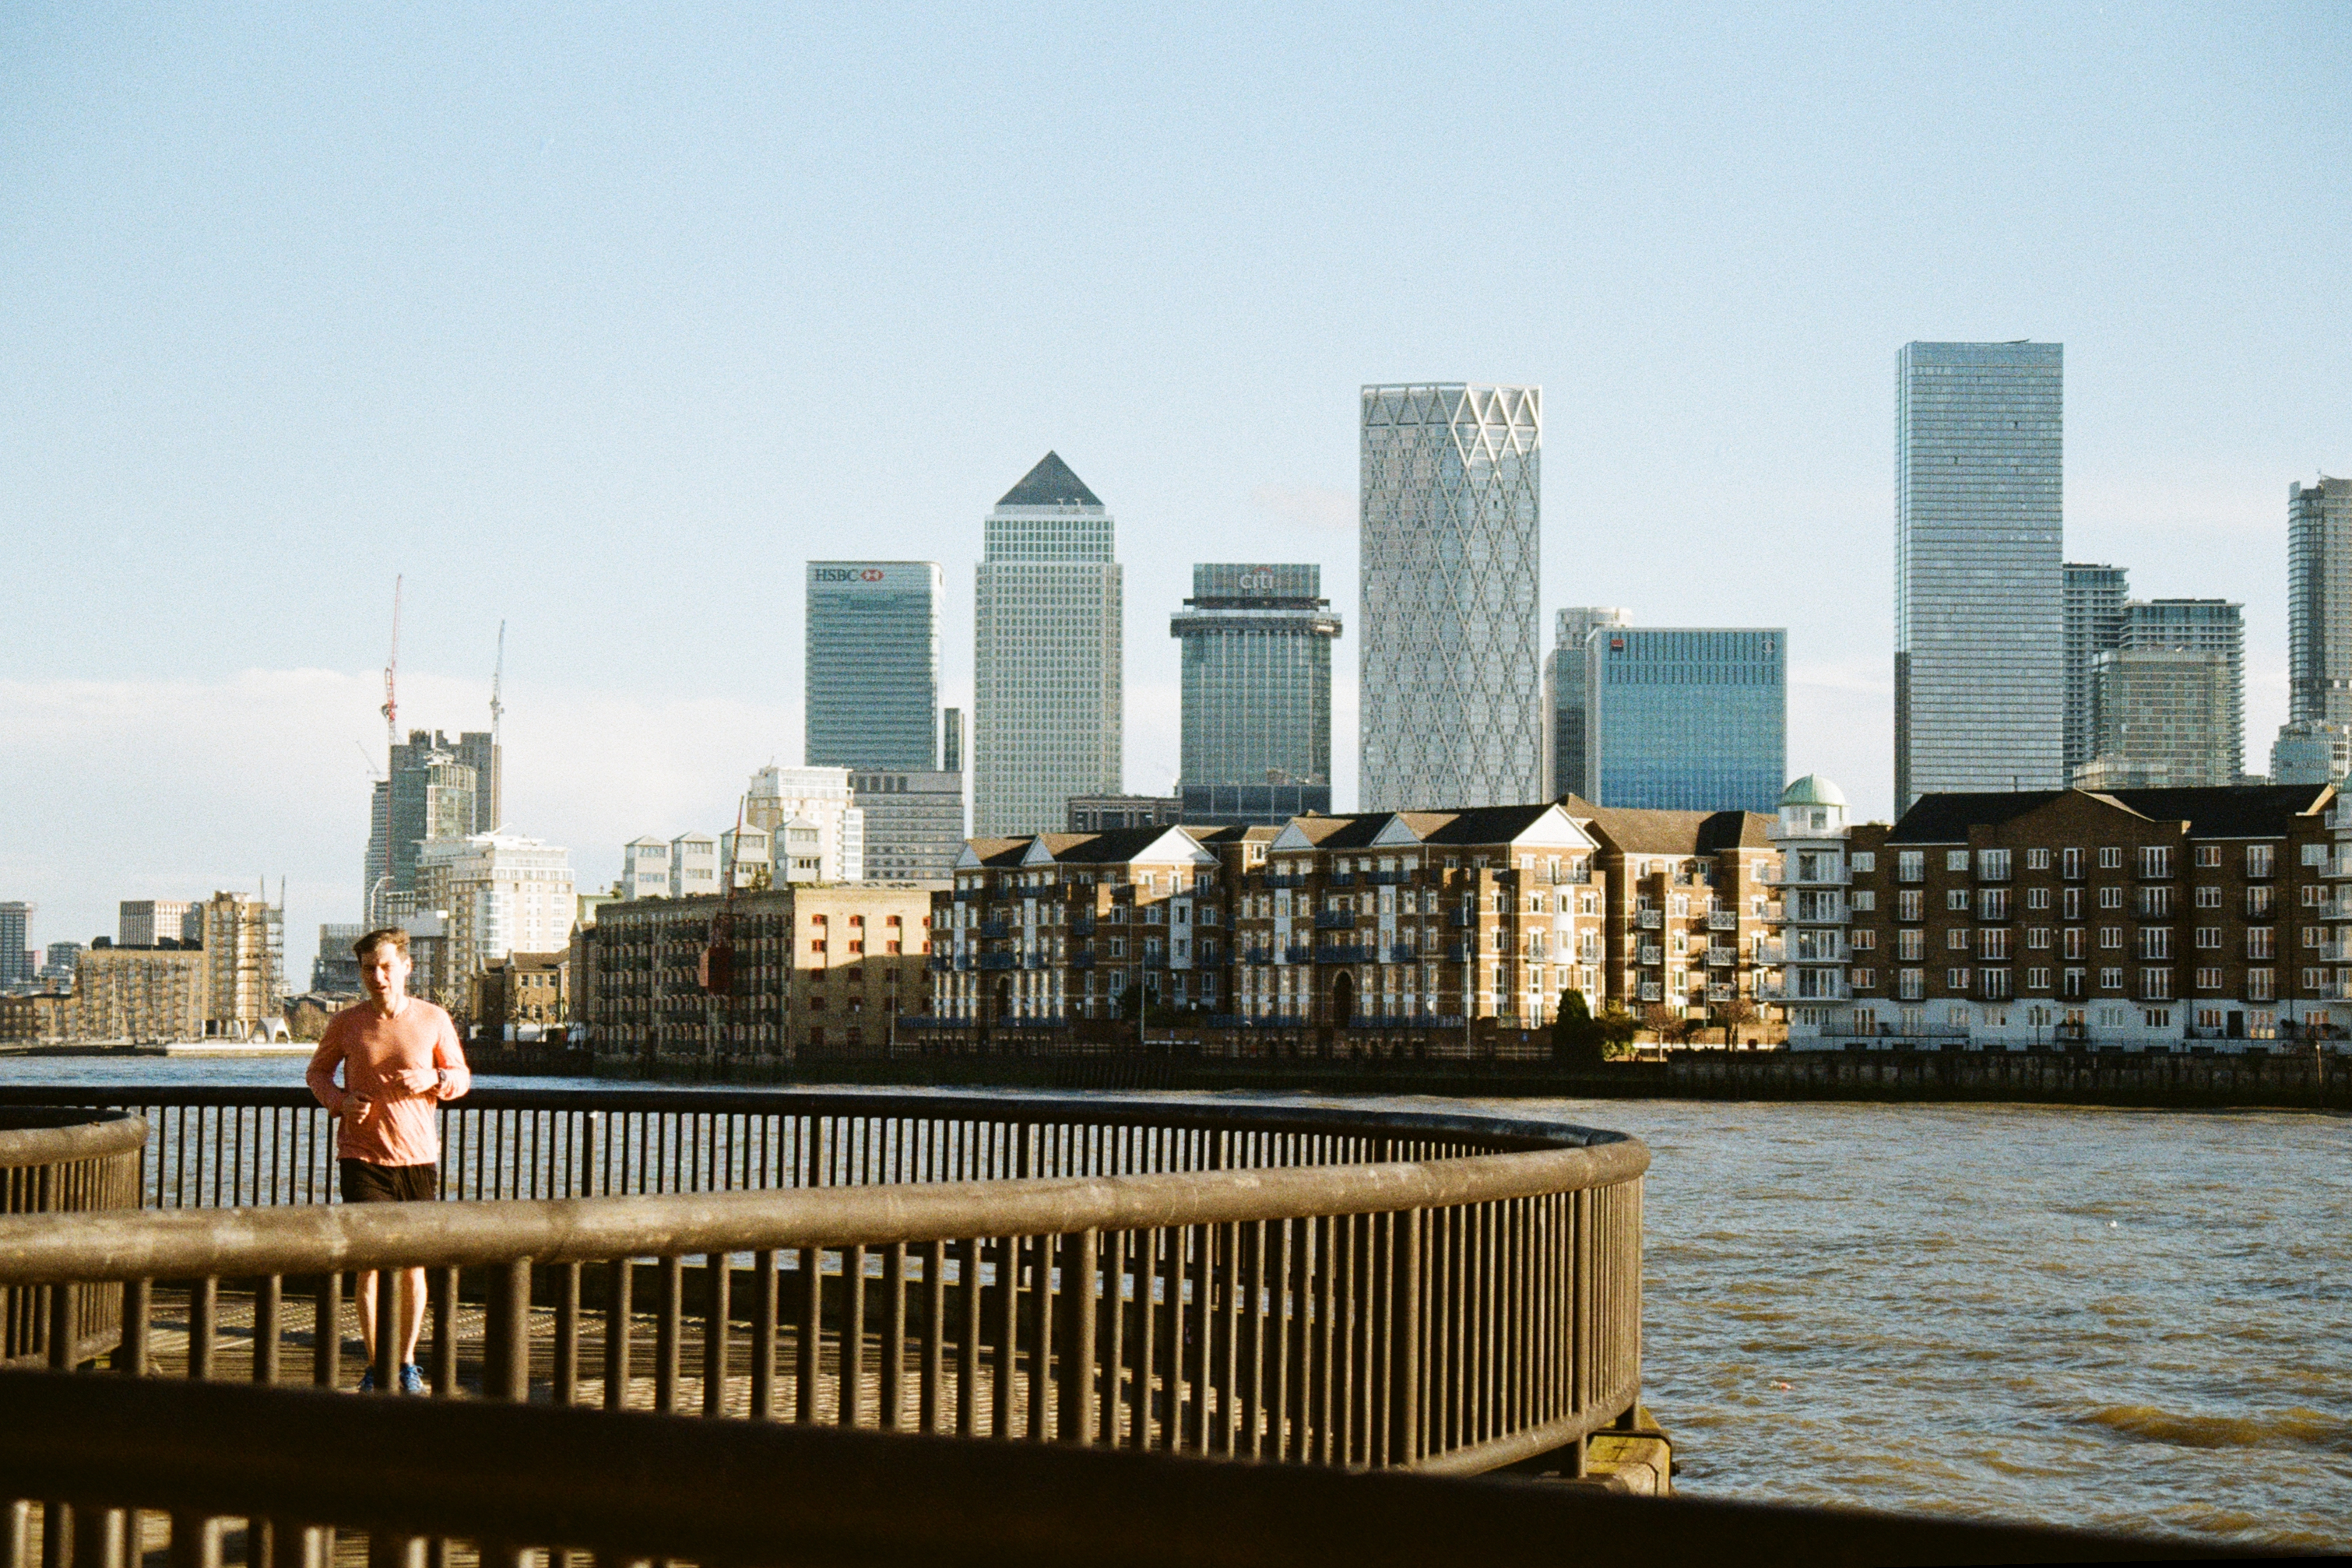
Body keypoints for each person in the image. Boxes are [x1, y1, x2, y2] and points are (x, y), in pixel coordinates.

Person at [305, 926, 470, 1393]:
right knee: (371, 1264)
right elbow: (317, 1073)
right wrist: (339, 1101)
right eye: (367, 969)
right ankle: (377, 1367)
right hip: (361, 1155)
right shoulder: (346, 1023)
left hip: (418, 1156)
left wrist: (434, 1078)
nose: (376, 976)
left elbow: (460, 1077)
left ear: (405, 967)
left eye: (385, 967)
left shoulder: (433, 1018)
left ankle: (405, 1363)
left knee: (414, 1264)